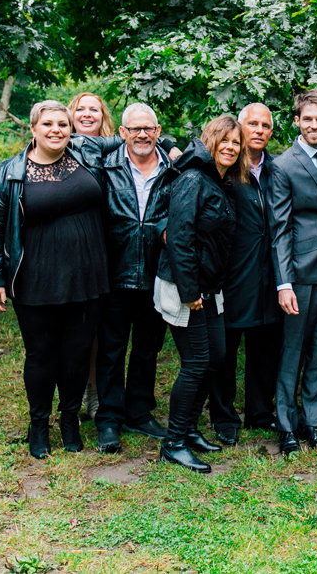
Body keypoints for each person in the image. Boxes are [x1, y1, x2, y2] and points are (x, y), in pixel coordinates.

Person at [0, 100, 117, 458]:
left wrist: (171, 145)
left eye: (63, 124)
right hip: (36, 278)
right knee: (41, 356)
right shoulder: (9, 173)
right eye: (48, 124)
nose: (56, 130)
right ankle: (39, 424)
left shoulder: (87, 155)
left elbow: (134, 136)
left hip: (88, 275)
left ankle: (70, 420)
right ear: (33, 129)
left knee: (77, 353)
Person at [154, 114, 248, 473]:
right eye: (224, 140)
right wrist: (189, 290)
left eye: (236, 143)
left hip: (209, 287)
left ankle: (190, 429)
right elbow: (179, 238)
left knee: (216, 356)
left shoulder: (219, 181)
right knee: (195, 363)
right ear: (210, 141)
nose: (230, 147)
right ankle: (173, 442)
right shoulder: (193, 179)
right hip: (185, 286)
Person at [93, 102, 179, 454]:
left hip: (156, 273)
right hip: (115, 272)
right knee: (111, 350)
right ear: (122, 133)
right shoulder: (105, 167)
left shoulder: (173, 169)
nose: (142, 135)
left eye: (148, 128)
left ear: (158, 132)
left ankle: (139, 412)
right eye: (134, 129)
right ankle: (109, 419)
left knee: (148, 348)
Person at [268, 89, 317, 455]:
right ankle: (286, 427)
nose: (314, 125)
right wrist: (284, 283)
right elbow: (280, 228)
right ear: (296, 121)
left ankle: (313, 422)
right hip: (300, 272)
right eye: (307, 119)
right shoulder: (283, 166)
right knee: (293, 350)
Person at [211, 103, 283, 445]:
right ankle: (224, 416)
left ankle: (260, 412)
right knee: (225, 349)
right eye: (252, 124)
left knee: (265, 347)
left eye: (265, 126)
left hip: (270, 273)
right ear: (239, 127)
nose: (259, 130)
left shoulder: (277, 169)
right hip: (232, 272)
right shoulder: (224, 166)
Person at [68, 92, 115, 419]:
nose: (87, 114)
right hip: (73, 248)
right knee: (76, 328)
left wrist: (167, 142)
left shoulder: (115, 150)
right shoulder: (60, 147)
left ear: (103, 116)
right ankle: (77, 391)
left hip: (109, 246)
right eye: (80, 109)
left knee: (102, 328)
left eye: (94, 109)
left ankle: (96, 391)